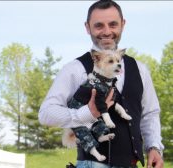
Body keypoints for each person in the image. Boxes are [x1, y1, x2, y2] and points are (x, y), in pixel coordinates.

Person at [38, 0, 164, 168]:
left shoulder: (140, 69)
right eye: (99, 26)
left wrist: (154, 147)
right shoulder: (75, 69)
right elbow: (46, 114)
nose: (107, 32)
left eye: (113, 24)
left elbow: (150, 114)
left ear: (123, 25)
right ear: (87, 27)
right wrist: (86, 113)